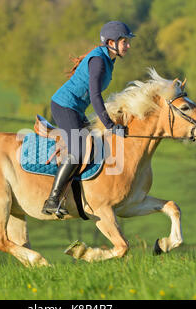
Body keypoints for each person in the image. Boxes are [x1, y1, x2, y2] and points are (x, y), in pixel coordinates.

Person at [42, 21, 135, 217]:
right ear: (111, 42)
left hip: (76, 109)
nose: (128, 46)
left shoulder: (108, 59)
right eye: (124, 42)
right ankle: (52, 200)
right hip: (64, 106)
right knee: (78, 150)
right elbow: (95, 97)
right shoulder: (100, 61)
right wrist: (109, 125)